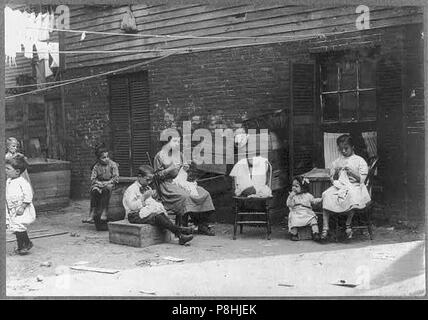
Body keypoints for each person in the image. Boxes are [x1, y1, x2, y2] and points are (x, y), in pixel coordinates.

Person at [154, 135, 215, 236]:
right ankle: (183, 228)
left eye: (178, 142)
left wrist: (186, 168)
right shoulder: (159, 156)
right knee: (185, 197)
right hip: (167, 185)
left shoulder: (180, 154)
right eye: (174, 141)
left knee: (204, 193)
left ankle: (202, 225)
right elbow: (156, 176)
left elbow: (185, 172)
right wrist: (169, 169)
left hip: (181, 182)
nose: (177, 144)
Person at [123, 165, 193, 245]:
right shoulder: (132, 189)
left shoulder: (147, 187)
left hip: (144, 211)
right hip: (134, 215)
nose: (149, 182)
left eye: (151, 180)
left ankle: (180, 235)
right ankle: (180, 231)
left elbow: (150, 202)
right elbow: (132, 207)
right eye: (147, 180)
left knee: (160, 213)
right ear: (139, 177)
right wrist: (143, 198)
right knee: (157, 217)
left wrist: (153, 200)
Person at [321, 134, 371, 240]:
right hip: (342, 186)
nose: (343, 151)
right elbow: (333, 175)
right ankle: (325, 228)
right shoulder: (339, 160)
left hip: (356, 186)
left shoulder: (360, 160)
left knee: (351, 196)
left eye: (346, 148)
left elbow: (362, 180)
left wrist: (352, 173)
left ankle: (348, 224)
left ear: (353, 147)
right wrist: (334, 172)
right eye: (341, 149)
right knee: (326, 194)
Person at [6, 155, 36, 255]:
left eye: (8, 169)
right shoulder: (9, 181)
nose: (5, 170)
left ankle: (23, 246)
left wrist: (23, 207)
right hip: (13, 208)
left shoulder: (22, 182)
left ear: (17, 171)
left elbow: (28, 195)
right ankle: (25, 244)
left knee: (19, 226)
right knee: (16, 227)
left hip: (22, 208)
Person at [82, 145, 119, 224]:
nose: (106, 159)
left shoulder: (113, 165)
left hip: (110, 183)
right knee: (94, 191)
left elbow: (116, 178)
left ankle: (105, 211)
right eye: (104, 157)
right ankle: (92, 212)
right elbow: (93, 178)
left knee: (106, 189)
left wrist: (107, 182)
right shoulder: (96, 166)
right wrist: (98, 183)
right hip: (99, 183)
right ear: (98, 159)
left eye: (107, 157)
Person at [286, 176, 322, 241]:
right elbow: (289, 204)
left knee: (313, 219)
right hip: (296, 212)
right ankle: (294, 234)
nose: (294, 188)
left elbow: (313, 201)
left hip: (306, 212)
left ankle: (315, 233)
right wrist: (290, 197)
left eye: (296, 186)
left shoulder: (307, 195)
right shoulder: (293, 196)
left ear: (303, 188)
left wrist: (320, 199)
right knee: (293, 219)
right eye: (293, 186)